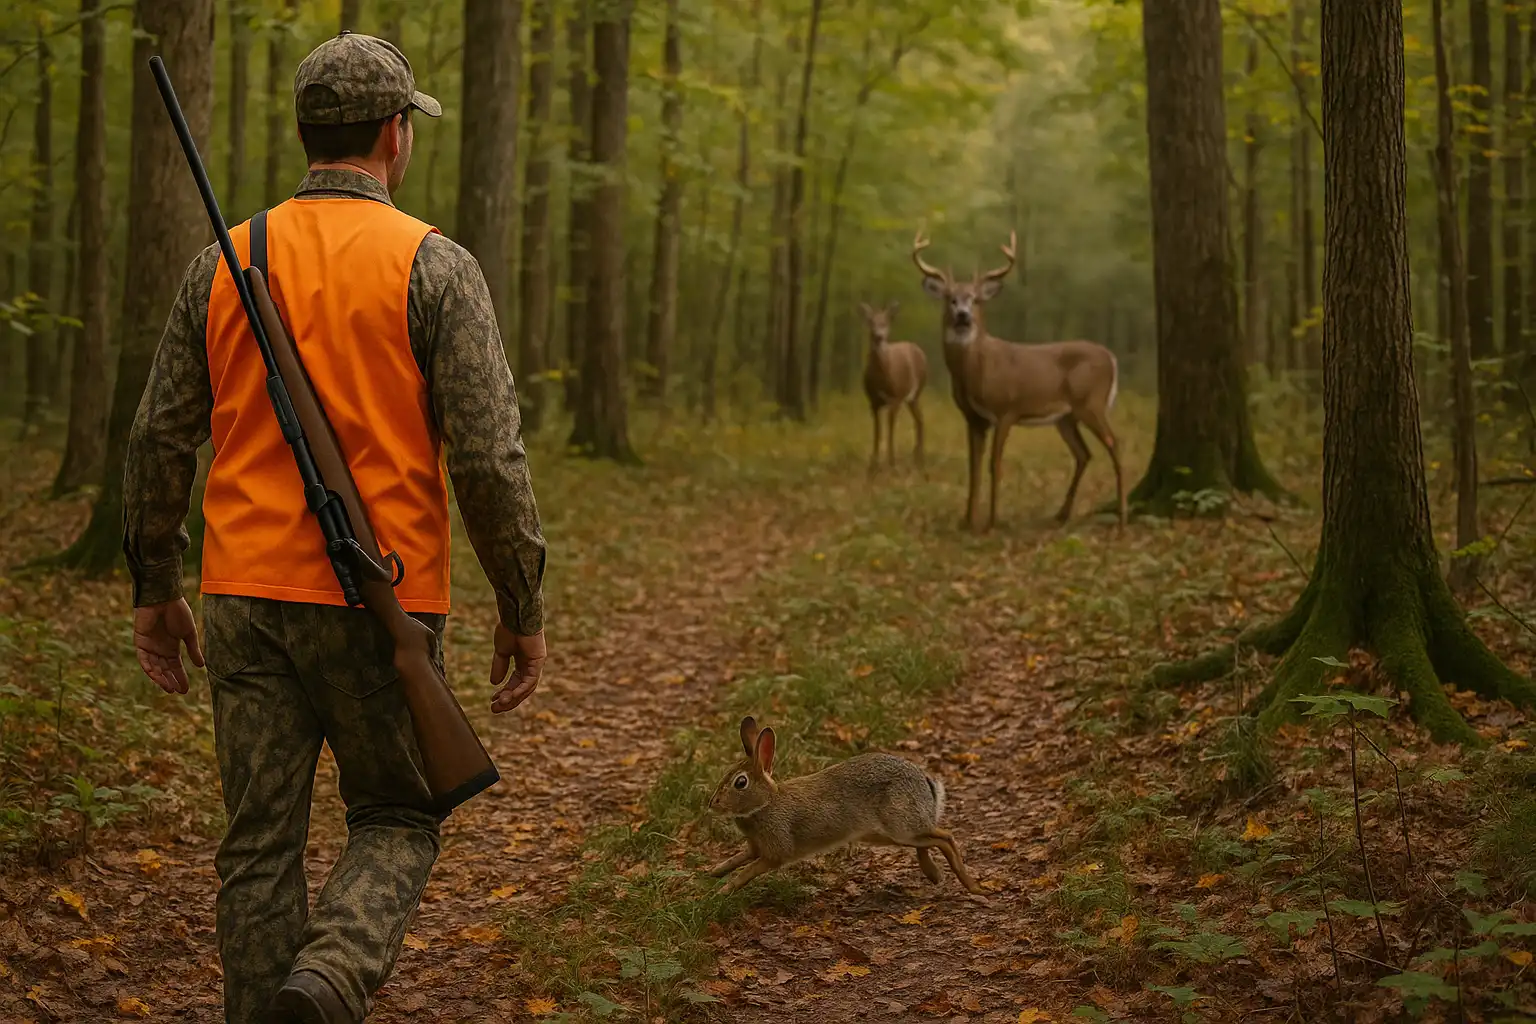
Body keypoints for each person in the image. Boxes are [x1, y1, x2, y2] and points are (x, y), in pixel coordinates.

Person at [120, 31, 548, 1024]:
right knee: (400, 811)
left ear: (307, 134)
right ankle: (326, 981)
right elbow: (489, 457)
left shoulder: (223, 263)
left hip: (241, 599)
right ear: (396, 136)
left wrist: (154, 584)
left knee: (258, 848)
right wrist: (522, 600)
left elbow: (156, 439)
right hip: (381, 598)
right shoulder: (434, 267)